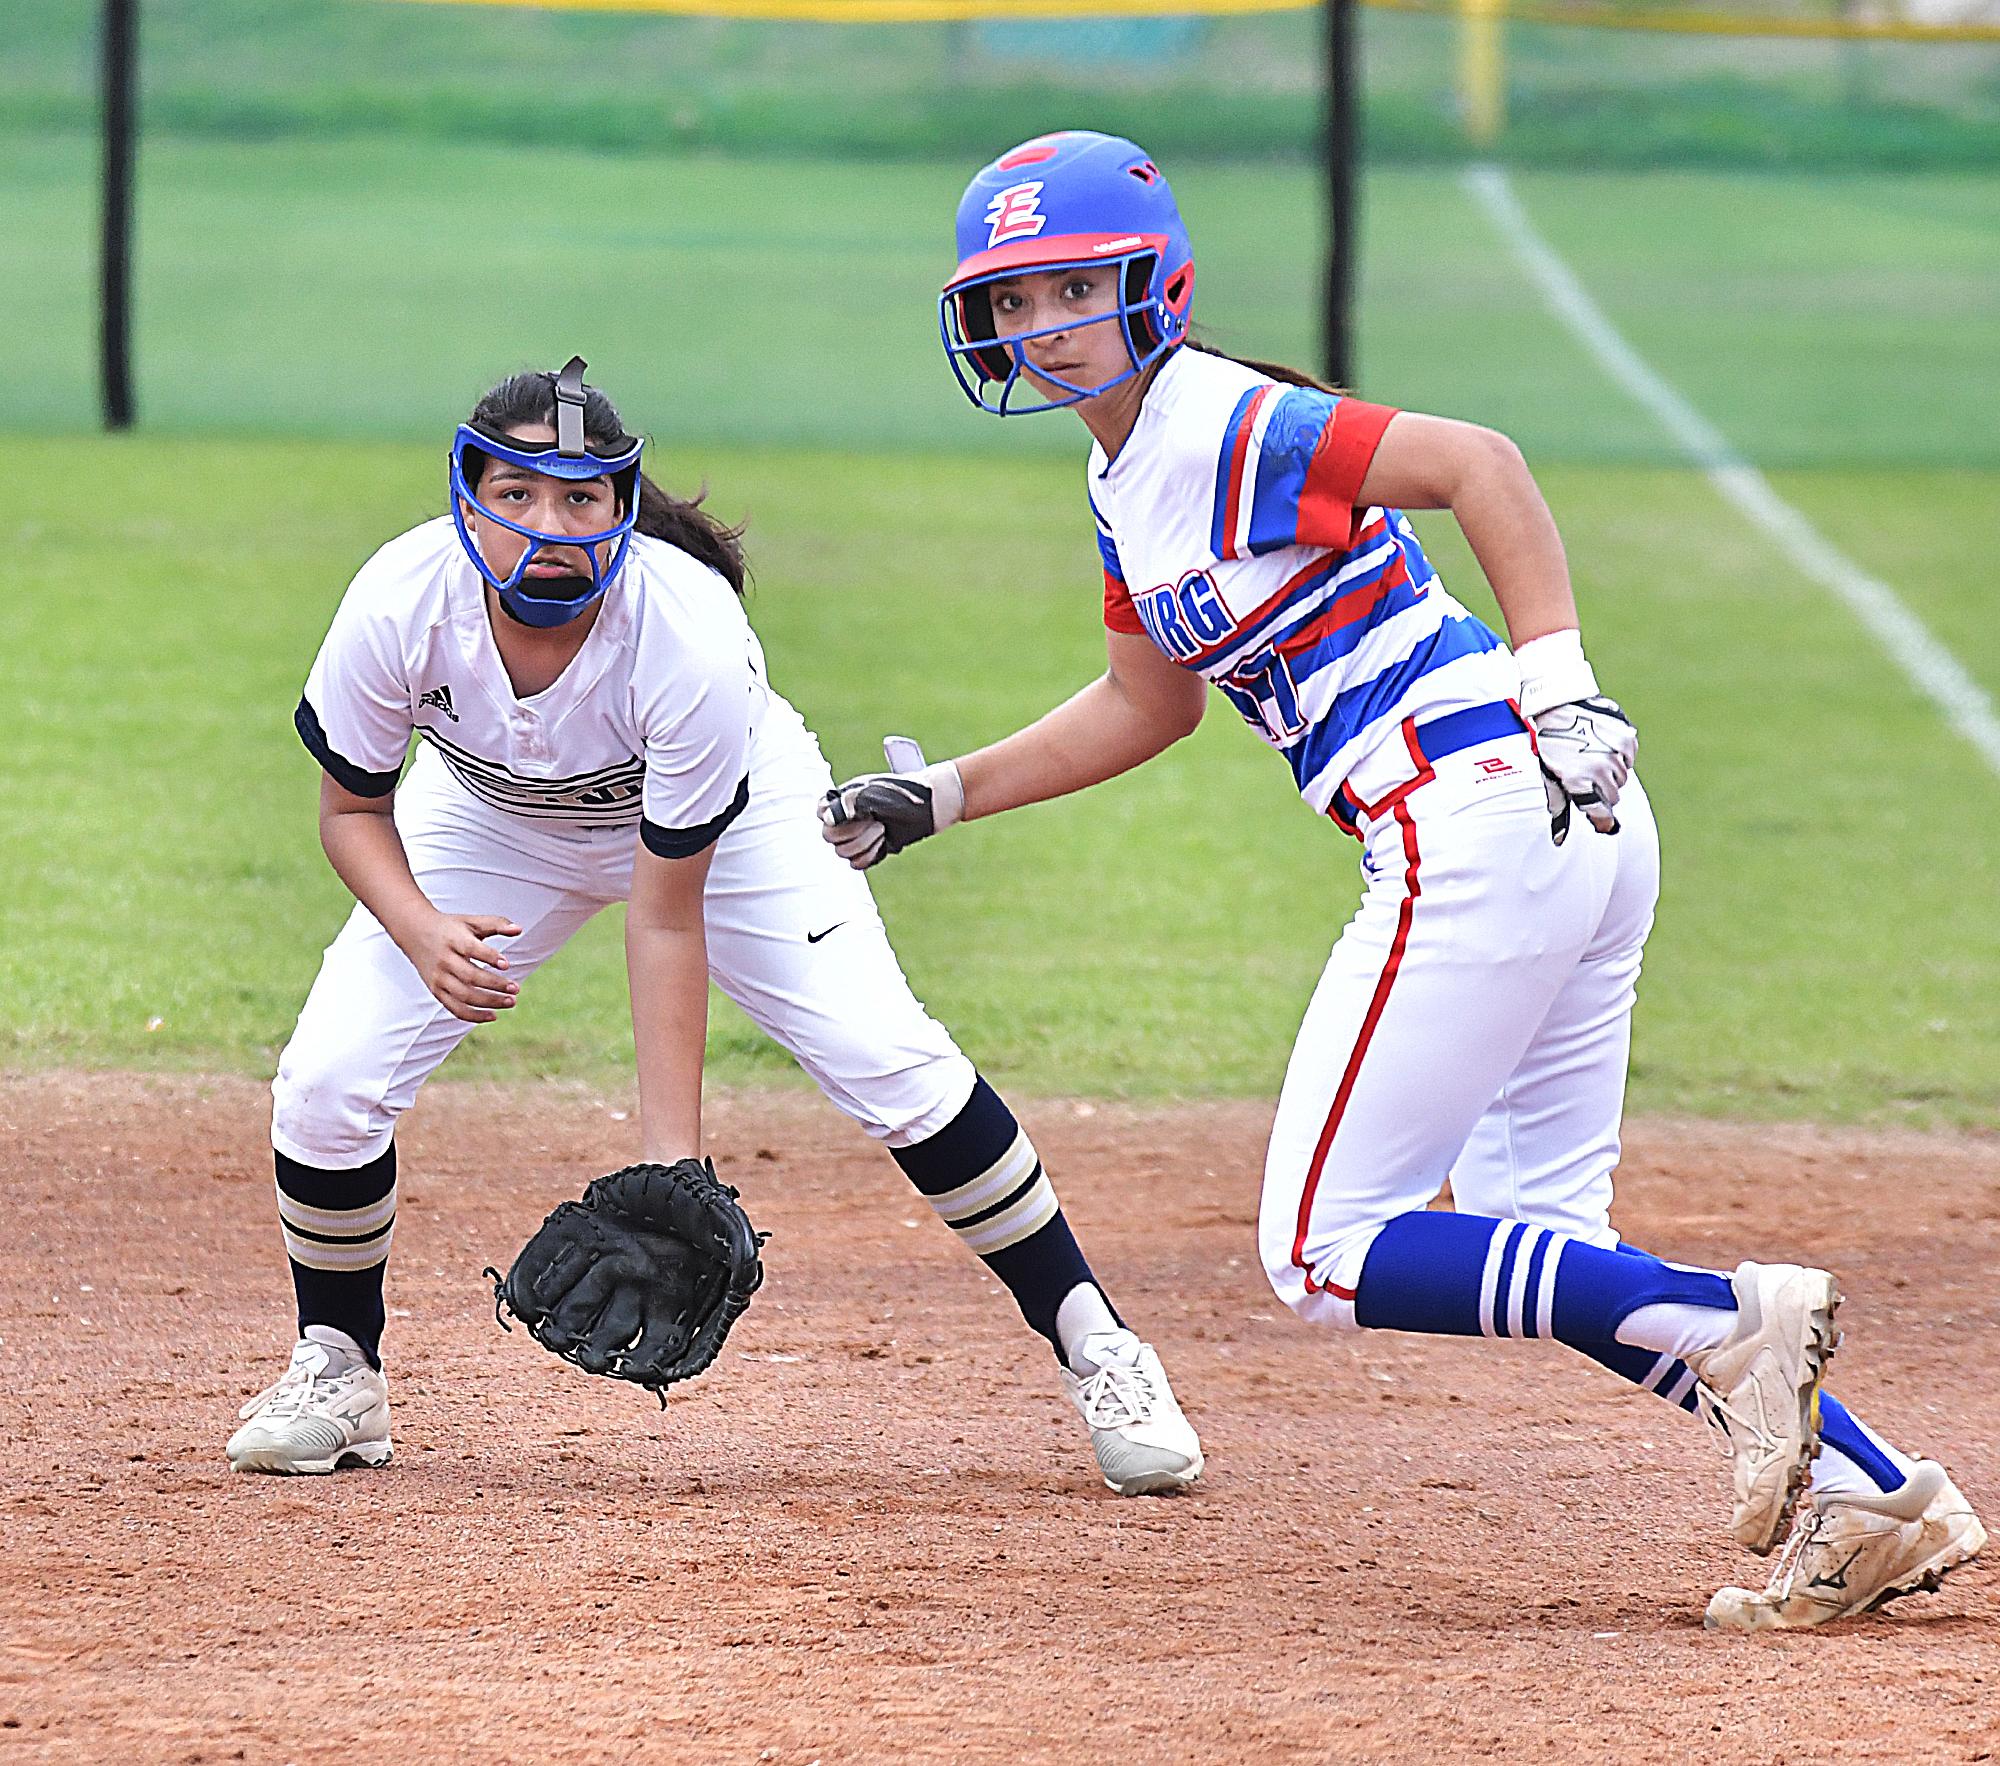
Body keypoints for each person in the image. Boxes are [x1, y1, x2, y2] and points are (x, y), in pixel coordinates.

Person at [820, 132, 1982, 1628]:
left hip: (1482, 805)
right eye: (1010, 297)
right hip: (1545, 829)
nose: (1038, 324)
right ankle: (1865, 1493)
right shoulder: (1128, 477)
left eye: (1068, 288)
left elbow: (1475, 463)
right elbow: (1147, 699)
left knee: (1322, 1246)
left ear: (1149, 283)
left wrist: (1562, 675)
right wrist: (942, 794)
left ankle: (1739, 1324)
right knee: (1545, 1242)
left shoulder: (1225, 421)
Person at [226, 356, 1202, 1498]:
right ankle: (337, 1367)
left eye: (581, 497)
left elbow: (664, 915)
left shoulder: (681, 631)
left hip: (727, 826)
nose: (549, 524)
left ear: (623, 509)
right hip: (486, 814)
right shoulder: (400, 598)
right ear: (467, 497)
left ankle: (1101, 1349)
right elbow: (351, 809)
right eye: (518, 493)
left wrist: (667, 1160)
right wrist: (419, 925)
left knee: (886, 1056)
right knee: (325, 1082)